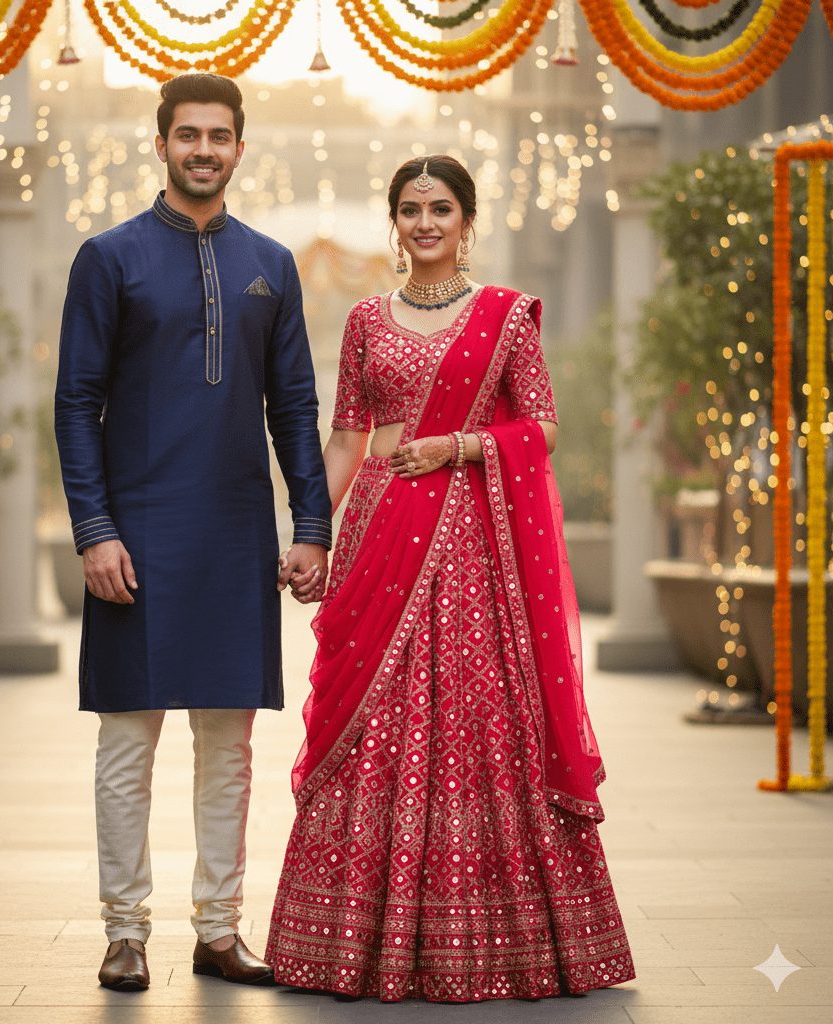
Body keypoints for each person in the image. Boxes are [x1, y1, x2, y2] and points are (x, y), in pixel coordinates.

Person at [267, 155, 635, 1002]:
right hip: (381, 537)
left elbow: (541, 426)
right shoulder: (365, 318)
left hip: (474, 545)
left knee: (476, 715)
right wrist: (312, 534)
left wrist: (462, 447)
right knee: (373, 718)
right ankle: (345, 938)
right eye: (410, 209)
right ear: (394, 223)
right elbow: (347, 438)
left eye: (440, 209)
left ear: (466, 221)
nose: (425, 223)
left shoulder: (506, 316)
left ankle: (494, 938)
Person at [54, 72, 331, 993]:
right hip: (134, 538)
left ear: (240, 148)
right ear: (162, 143)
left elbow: (294, 406)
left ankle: (219, 928)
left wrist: (311, 525)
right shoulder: (110, 258)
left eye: (219, 136)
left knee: (229, 746)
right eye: (188, 135)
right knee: (126, 743)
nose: (203, 150)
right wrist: (95, 529)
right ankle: (124, 931)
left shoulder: (270, 264)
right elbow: (76, 402)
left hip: (234, 538)